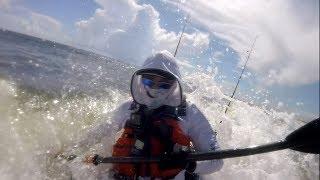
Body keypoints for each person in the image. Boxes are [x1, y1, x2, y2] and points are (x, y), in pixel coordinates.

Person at [62, 51, 223, 179]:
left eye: (164, 84)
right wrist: (70, 151)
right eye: (149, 81)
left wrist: (190, 163)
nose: (155, 88)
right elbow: (99, 132)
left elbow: (217, 161)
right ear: (140, 80)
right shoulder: (128, 107)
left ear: (175, 85)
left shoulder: (191, 113)